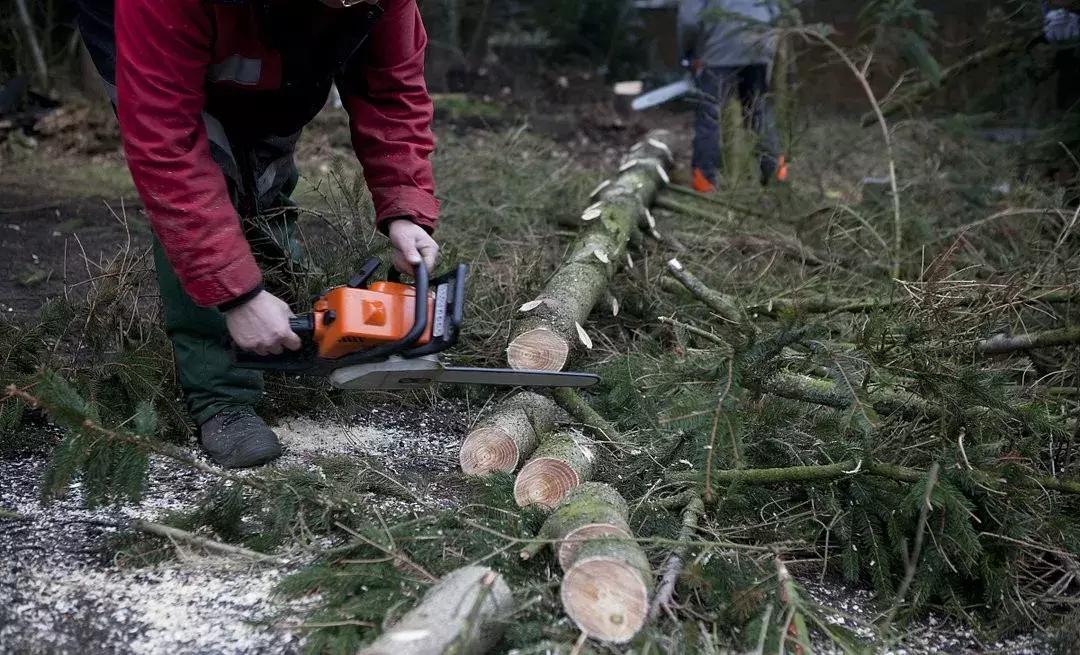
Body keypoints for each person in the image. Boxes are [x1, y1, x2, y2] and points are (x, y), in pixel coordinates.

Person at [73, 0, 441, 468]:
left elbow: (392, 92)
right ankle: (221, 398)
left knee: (264, 171)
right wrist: (237, 295)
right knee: (209, 179)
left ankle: (284, 331)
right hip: (157, 29)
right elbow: (170, 148)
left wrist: (405, 209)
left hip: (272, 39)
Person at [677, 0, 787, 191]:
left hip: (717, 47)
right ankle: (776, 172)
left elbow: (689, 20)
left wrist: (689, 53)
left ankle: (704, 179)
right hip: (758, 43)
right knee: (758, 111)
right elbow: (776, 10)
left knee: (710, 115)